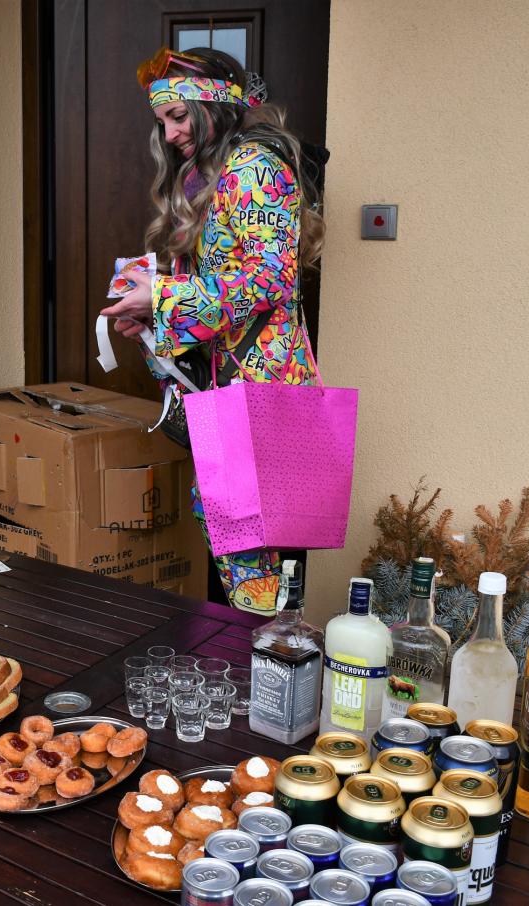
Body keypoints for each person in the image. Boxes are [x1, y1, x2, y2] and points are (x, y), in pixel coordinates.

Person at [101, 47, 324, 616]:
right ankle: (259, 643)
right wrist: (153, 310)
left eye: (178, 116)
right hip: (232, 382)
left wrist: (164, 299)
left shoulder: (253, 166)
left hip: (261, 384)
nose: (170, 133)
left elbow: (270, 277)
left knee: (250, 539)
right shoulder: (216, 171)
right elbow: (230, 276)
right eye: (163, 121)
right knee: (236, 530)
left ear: (214, 106)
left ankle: (266, 650)